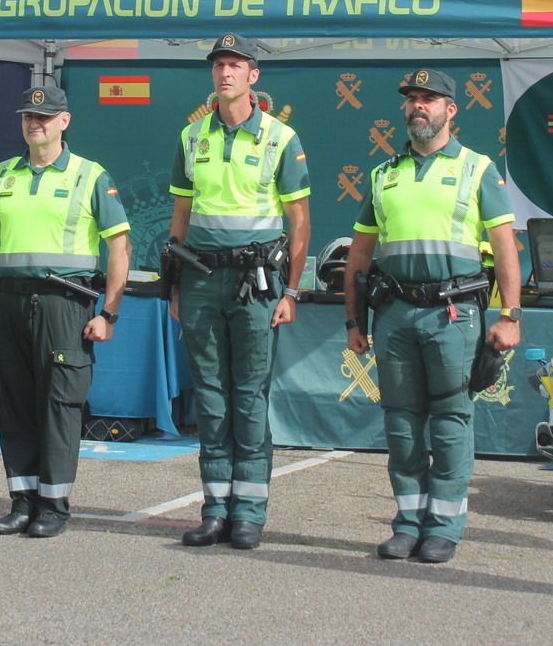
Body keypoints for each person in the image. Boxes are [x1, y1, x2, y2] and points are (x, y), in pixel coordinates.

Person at [342, 68, 520, 564]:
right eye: (412, 99)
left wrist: (511, 314)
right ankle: (407, 524)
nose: (418, 106)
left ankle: (444, 526)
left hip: (453, 314)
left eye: (430, 99)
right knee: (400, 424)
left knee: (450, 421)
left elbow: (506, 246)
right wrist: (354, 322)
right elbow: (359, 257)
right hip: (395, 315)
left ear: (451, 110)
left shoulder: (477, 168)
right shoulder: (383, 174)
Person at [167, 33, 311, 550]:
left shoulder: (280, 137)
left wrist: (291, 292)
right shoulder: (190, 137)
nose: (225, 73)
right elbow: (180, 216)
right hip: (202, 279)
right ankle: (214, 508)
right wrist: (176, 286)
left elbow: (299, 222)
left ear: (254, 76)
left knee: (248, 398)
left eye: (235, 65)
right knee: (209, 397)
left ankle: (249, 512)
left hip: (257, 284)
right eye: (218, 65)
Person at [0, 85, 131, 538]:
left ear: (65, 121)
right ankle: (22, 501)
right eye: (28, 116)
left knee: (59, 405)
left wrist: (110, 313)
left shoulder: (90, 175)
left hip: (65, 305)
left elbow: (119, 247)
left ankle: (54, 506)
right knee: (15, 405)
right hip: (8, 303)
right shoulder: (2, 174)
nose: (34, 123)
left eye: (44, 117)